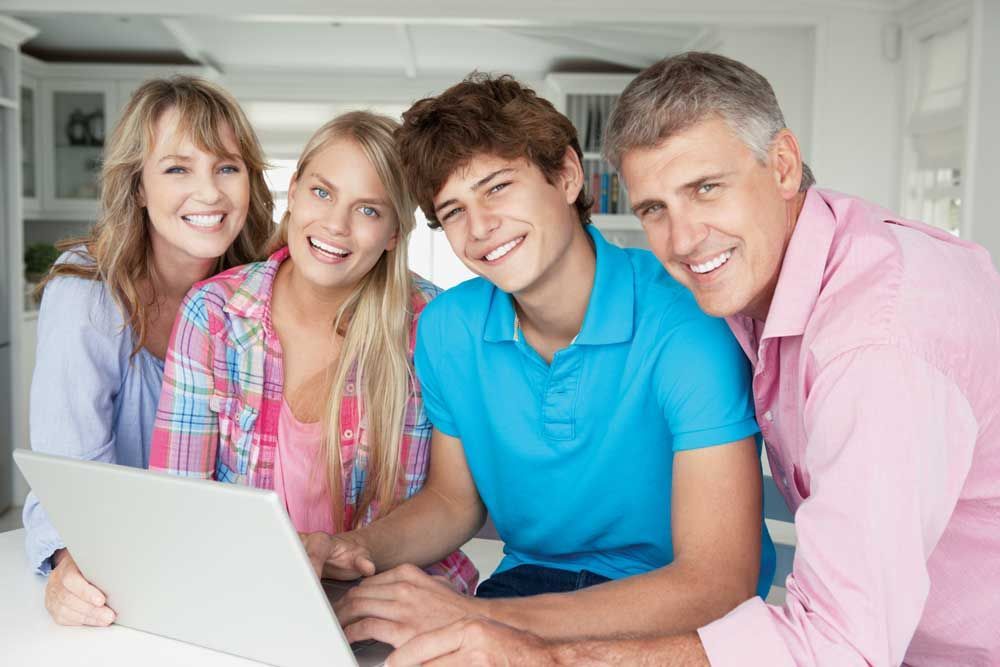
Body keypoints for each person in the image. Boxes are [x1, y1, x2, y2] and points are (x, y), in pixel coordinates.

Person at [386, 52, 1000, 667]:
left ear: (782, 164)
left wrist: (538, 651)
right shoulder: (766, 286)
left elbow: (835, 645)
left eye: (706, 188)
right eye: (654, 209)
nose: (681, 242)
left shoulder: (875, 345)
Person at [307, 73, 775, 649]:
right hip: (527, 587)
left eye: (498, 187)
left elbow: (714, 583)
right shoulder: (448, 328)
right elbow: (453, 501)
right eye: (453, 211)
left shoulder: (687, 324)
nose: (479, 228)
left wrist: (480, 622)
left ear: (567, 176)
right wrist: (353, 548)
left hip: (672, 616)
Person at [148, 111, 477, 594]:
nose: (335, 224)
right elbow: (178, 499)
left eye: (368, 210)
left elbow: (455, 501)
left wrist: (350, 550)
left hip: (391, 592)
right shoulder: (215, 313)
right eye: (322, 193)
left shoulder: (434, 325)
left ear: (393, 234)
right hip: (242, 591)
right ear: (295, 191)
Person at [23, 76, 274, 627]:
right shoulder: (87, 296)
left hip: (233, 566)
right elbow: (70, 478)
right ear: (137, 186)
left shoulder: (259, 291)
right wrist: (70, 563)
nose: (209, 193)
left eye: (227, 167)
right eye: (177, 168)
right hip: (124, 573)